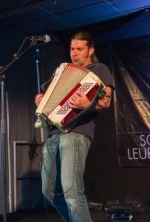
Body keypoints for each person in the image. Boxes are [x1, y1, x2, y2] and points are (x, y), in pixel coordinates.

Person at [35, 31, 114, 221]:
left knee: (71, 189)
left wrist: (87, 104)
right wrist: (41, 99)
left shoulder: (99, 69)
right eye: (72, 49)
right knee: (48, 190)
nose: (75, 53)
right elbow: (53, 98)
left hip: (77, 133)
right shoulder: (63, 70)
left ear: (90, 50)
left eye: (79, 49)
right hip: (54, 133)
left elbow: (106, 102)